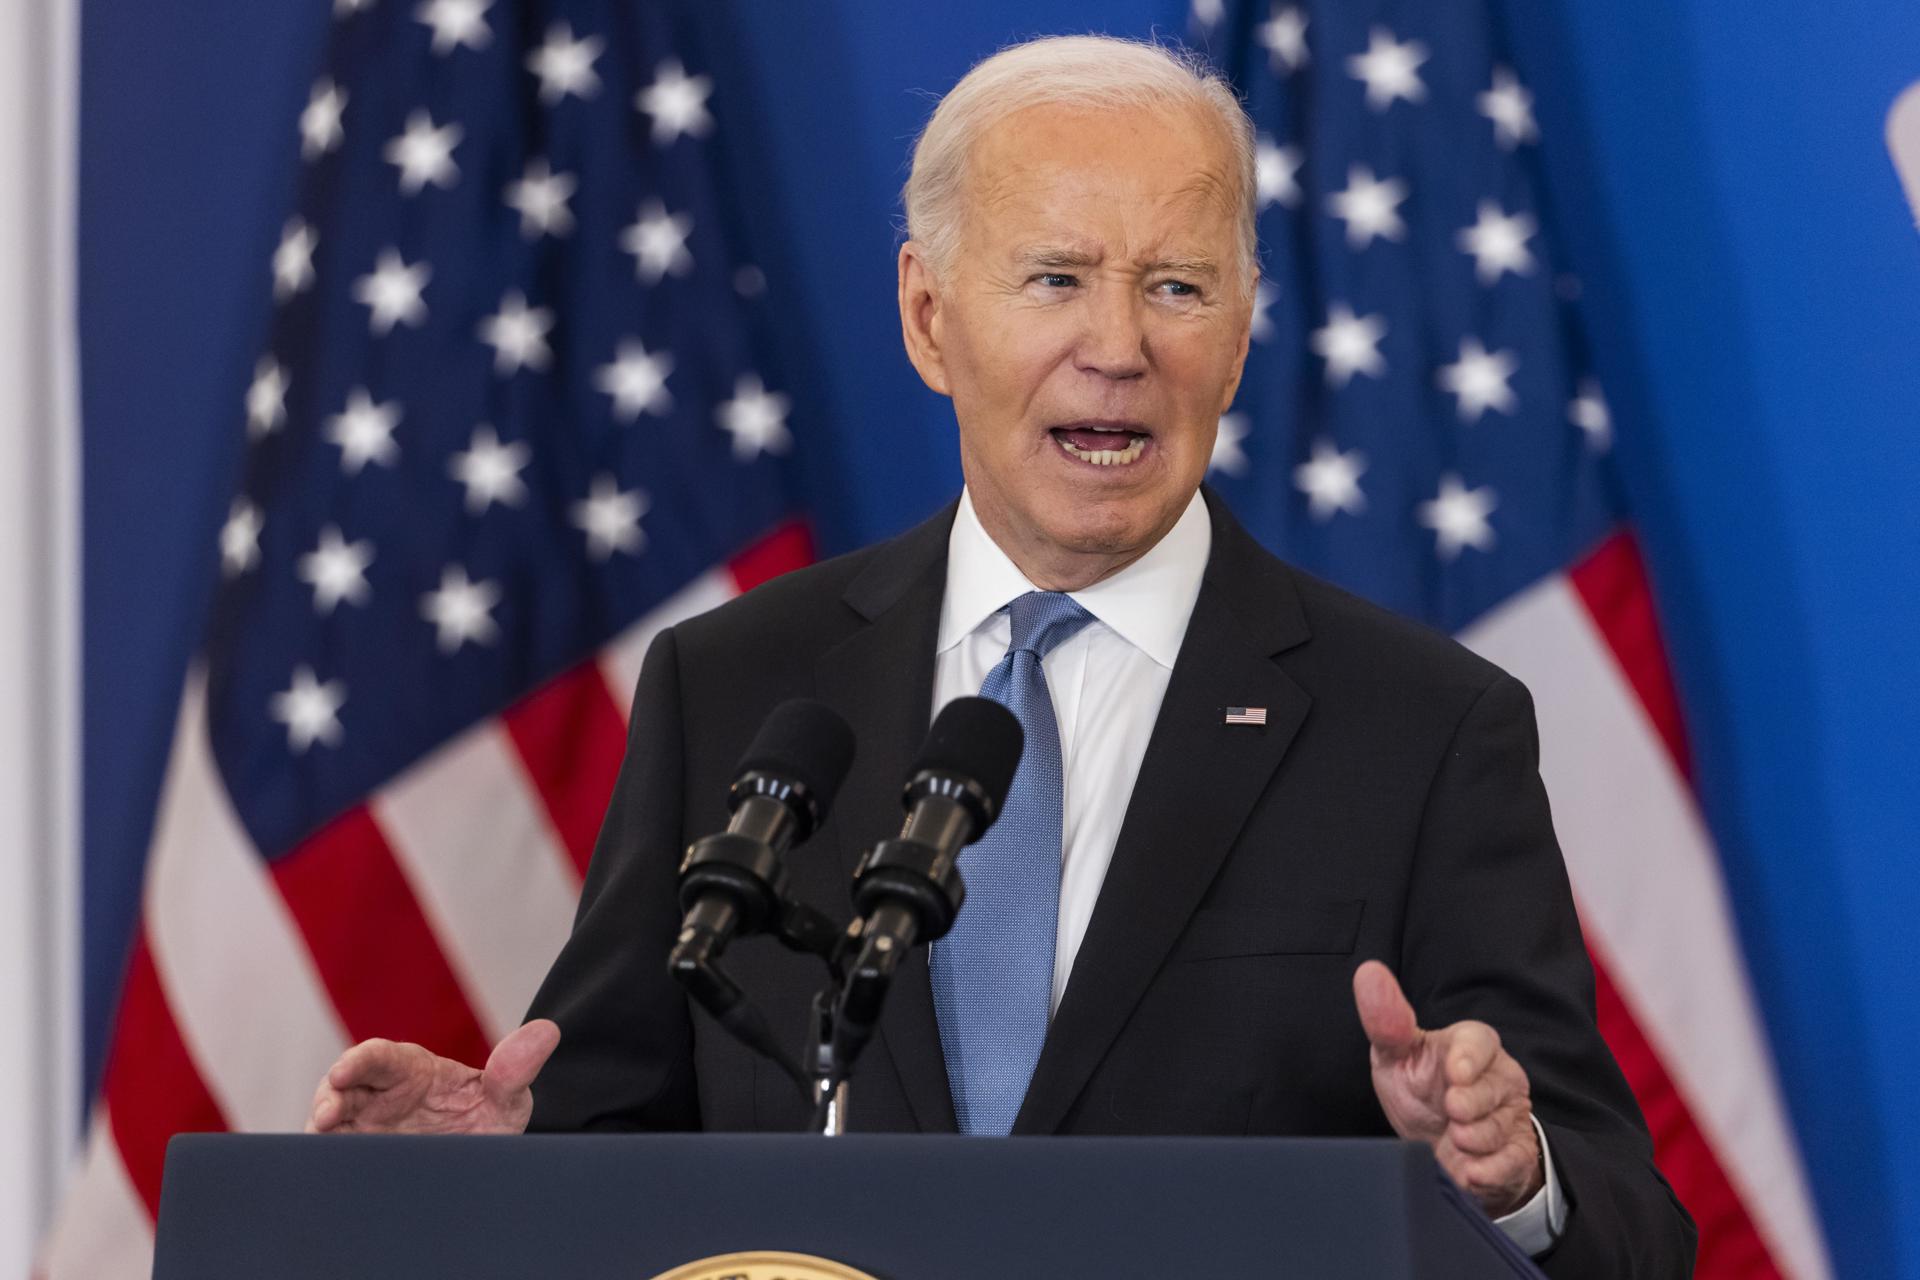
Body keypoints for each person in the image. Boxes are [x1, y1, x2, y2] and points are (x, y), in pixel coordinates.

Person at [306, 35, 1694, 1277]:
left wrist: (1510, 1185)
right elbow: (624, 1133)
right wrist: (496, 1164)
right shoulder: (737, 686)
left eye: (1178, 284)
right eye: (1056, 278)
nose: (1119, 347)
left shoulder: (1422, 729)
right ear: (929, 317)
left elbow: (1631, 1228)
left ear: (1244, 326)